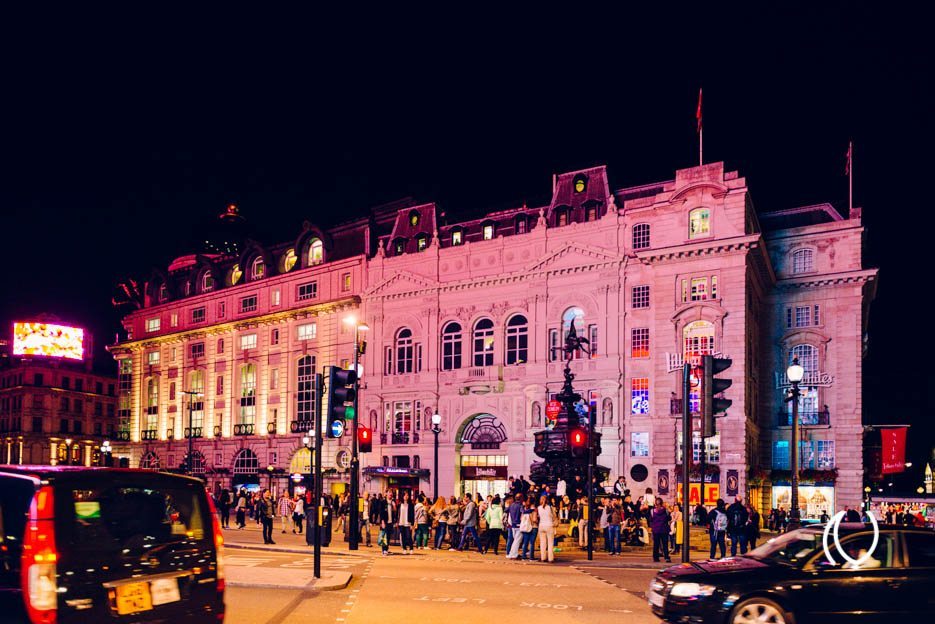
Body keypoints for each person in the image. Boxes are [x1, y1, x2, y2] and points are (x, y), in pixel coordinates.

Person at [650, 498, 671, 563]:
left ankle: (655, 558)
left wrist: (652, 527)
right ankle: (666, 557)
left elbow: (650, 520)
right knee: (665, 544)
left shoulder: (652, 511)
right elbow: (669, 518)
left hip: (656, 530)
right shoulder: (665, 511)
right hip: (664, 530)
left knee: (656, 544)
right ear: (662, 503)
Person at [537, 494, 557, 563]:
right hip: (549, 525)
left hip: (541, 525)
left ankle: (543, 557)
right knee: (550, 543)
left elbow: (538, 517)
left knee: (542, 543)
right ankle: (550, 558)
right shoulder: (550, 508)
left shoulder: (539, 508)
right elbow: (554, 516)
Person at [506, 493, 524, 559]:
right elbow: (523, 512)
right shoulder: (520, 505)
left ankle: (512, 553)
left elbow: (506, 510)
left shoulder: (511, 505)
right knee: (517, 541)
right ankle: (513, 554)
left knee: (515, 540)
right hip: (518, 525)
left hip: (513, 525)